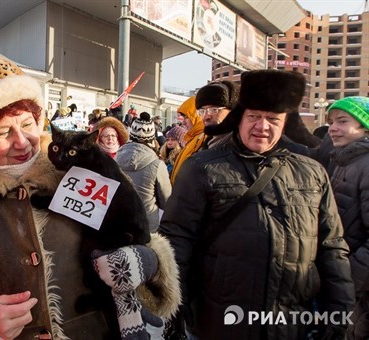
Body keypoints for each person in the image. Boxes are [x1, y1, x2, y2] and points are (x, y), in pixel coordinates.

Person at [0, 56, 181, 339]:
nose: (22, 140)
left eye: (27, 124)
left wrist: (147, 262)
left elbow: (139, 235)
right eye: (3, 132)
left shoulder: (82, 169)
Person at [160, 69, 355, 339]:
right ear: (240, 118)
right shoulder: (202, 168)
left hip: (292, 323)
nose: (262, 127)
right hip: (220, 321)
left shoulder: (312, 172)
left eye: (272, 119)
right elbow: (177, 240)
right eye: (254, 116)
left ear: (285, 123)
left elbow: (332, 248)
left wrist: (340, 316)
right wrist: (173, 311)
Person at [326, 96, 369, 340]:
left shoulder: (366, 165)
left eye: (342, 121)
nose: (333, 128)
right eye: (331, 121)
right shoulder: (345, 160)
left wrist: (346, 279)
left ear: (364, 126)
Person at [115, 112, 172, 233]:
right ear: (152, 138)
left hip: (118, 221)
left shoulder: (116, 158)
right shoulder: (157, 164)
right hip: (146, 225)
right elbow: (167, 201)